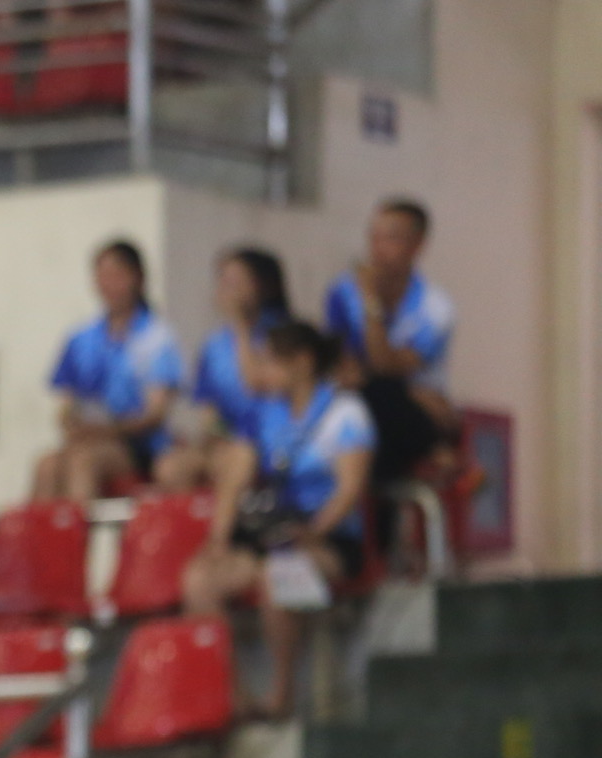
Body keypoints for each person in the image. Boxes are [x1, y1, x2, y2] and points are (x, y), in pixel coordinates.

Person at [180, 320, 374, 721]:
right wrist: (219, 538)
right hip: (271, 532)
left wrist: (314, 532)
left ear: (302, 363)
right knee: (199, 580)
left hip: (329, 539)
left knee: (277, 575)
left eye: (270, 361)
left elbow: (349, 488)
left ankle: (282, 693)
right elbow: (236, 468)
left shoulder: (345, 412)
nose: (260, 371)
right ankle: (236, 695)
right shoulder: (264, 413)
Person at [32, 239, 184, 503]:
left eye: (117, 275)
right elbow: (66, 406)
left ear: (137, 278)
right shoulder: (80, 339)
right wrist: (73, 427)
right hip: (88, 440)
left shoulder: (155, 337)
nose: (109, 284)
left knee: (83, 463)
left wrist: (105, 431)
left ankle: (75, 539)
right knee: (46, 465)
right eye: (102, 276)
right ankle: (42, 541)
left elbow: (154, 413)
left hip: (135, 448)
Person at [322, 196, 457, 489]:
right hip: (369, 401)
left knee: (380, 394)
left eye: (392, 238)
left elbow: (387, 366)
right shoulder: (343, 293)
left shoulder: (436, 307)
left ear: (417, 245)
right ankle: (431, 452)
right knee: (359, 402)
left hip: (416, 417)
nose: (378, 248)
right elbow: (345, 369)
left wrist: (370, 302)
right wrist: (412, 391)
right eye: (374, 237)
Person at [155, 245, 290, 491]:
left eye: (237, 281)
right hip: (225, 441)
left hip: (270, 443)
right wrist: (212, 435)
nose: (229, 289)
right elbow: (209, 408)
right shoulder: (214, 345)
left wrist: (240, 325)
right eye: (224, 281)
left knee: (235, 462)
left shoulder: (283, 335)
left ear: (262, 285)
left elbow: (256, 383)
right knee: (171, 467)